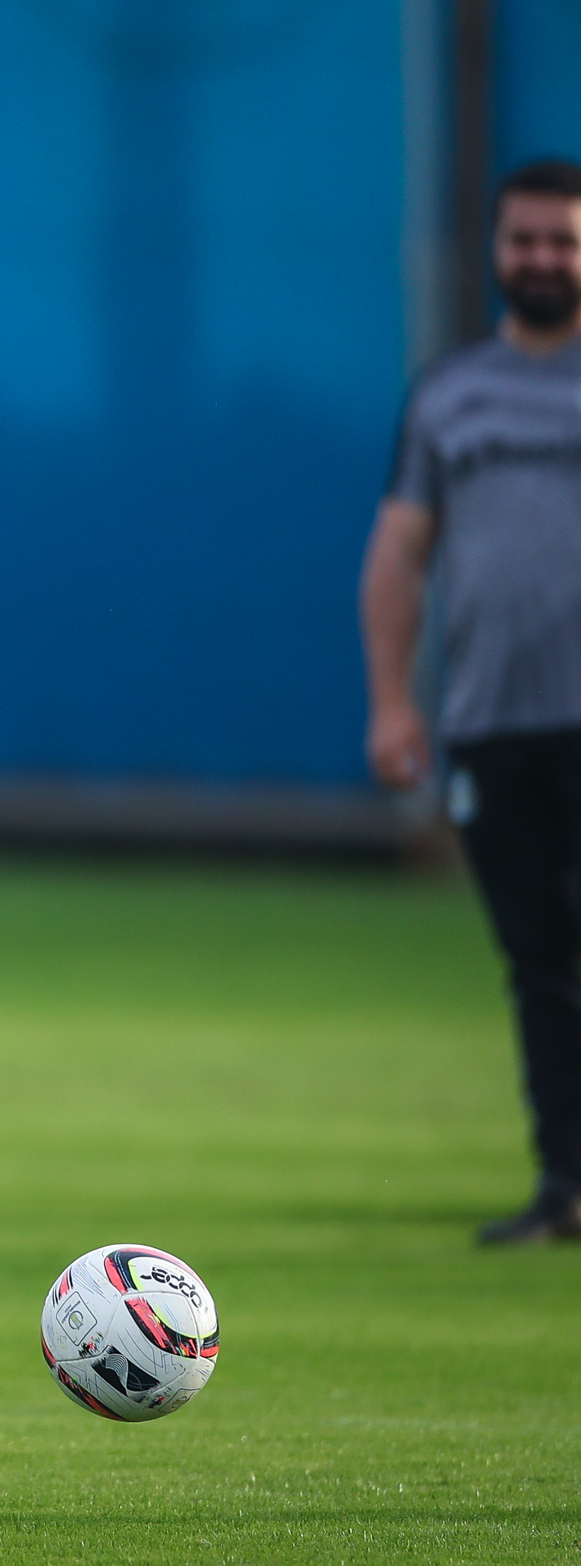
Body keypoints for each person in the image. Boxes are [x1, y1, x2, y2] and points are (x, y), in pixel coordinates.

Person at [362, 156, 581, 1245]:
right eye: (523, 239)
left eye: (562, 240)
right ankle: (564, 1184)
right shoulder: (449, 394)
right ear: (494, 250)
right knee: (540, 962)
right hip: (493, 722)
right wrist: (392, 702)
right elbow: (400, 552)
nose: (541, 259)